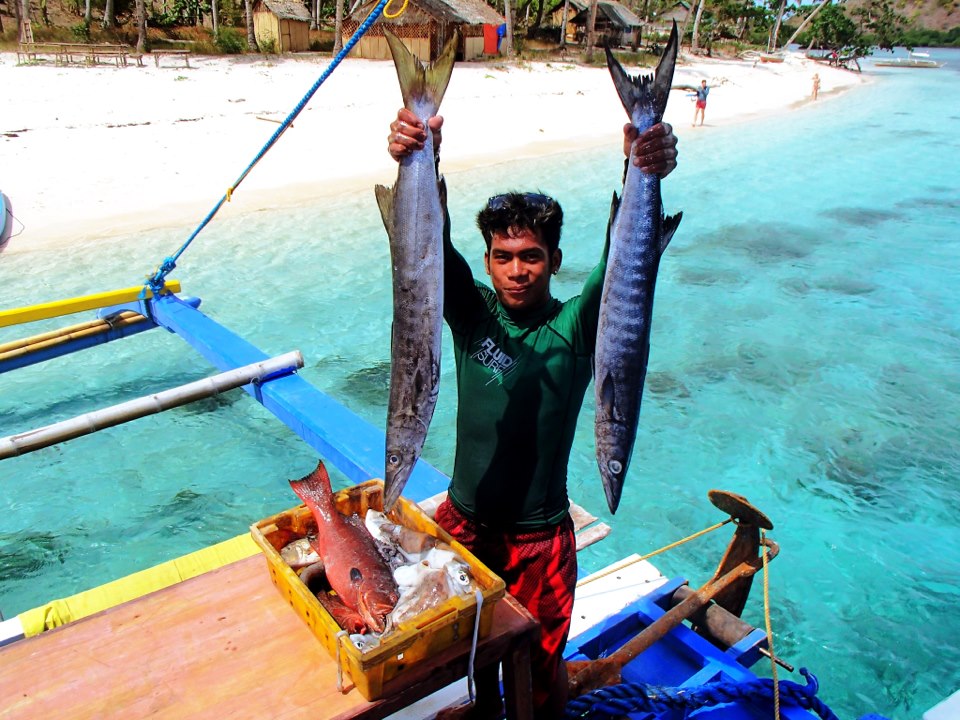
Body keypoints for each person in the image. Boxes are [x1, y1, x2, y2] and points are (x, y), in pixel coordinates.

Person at [387, 109, 678, 719]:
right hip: (462, 529)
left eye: (532, 256)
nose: (517, 270)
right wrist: (420, 152)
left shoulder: (575, 328)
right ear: (488, 261)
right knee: (471, 660)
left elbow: (626, 261)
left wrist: (641, 162)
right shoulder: (471, 314)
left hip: (540, 545)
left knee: (539, 677)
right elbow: (425, 242)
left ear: (554, 259)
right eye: (503, 255)